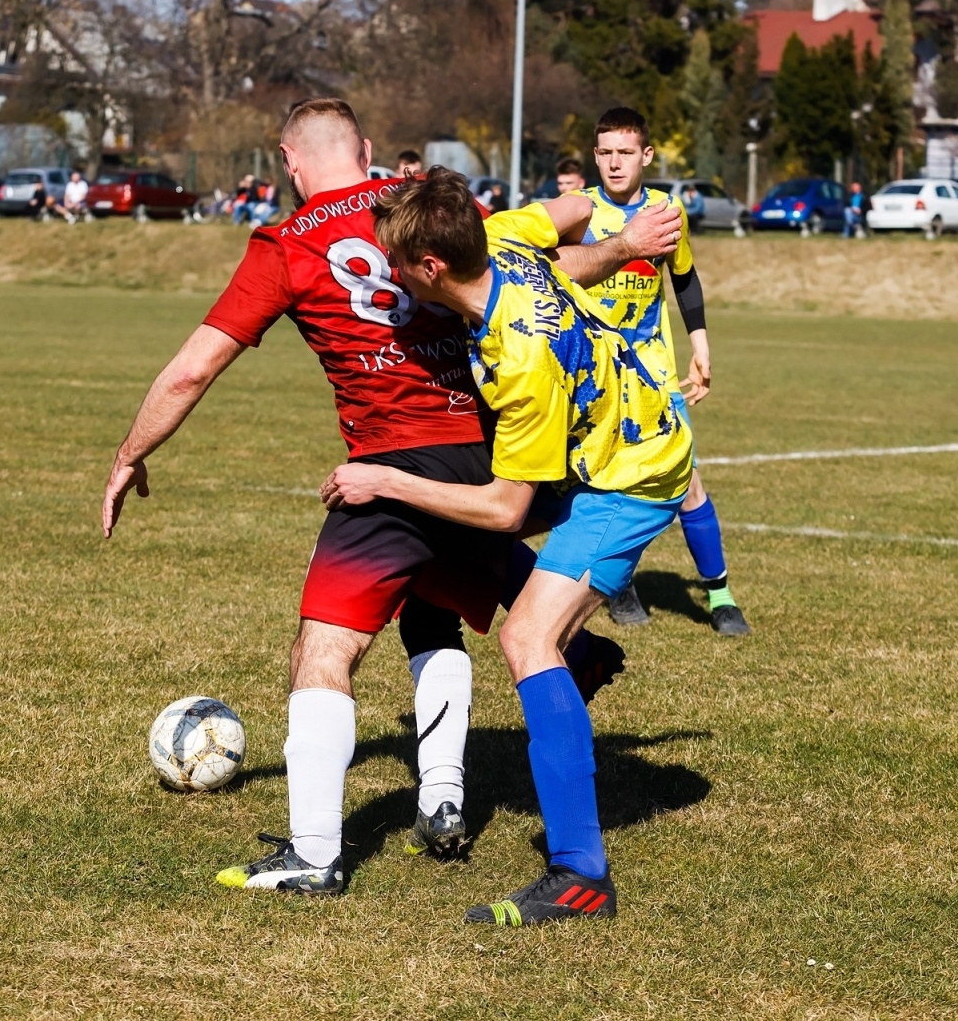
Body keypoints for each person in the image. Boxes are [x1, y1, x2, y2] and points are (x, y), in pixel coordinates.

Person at [101, 97, 681, 896]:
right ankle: (445, 794)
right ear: (367, 148)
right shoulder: (434, 210)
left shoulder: (291, 241)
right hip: (489, 449)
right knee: (433, 598)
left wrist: (130, 452)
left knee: (324, 648)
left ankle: (314, 856)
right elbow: (545, 248)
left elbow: (195, 367)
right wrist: (621, 243)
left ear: (289, 162)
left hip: (421, 458)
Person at [320, 169, 695, 925]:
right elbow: (575, 207)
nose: (389, 277)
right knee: (445, 533)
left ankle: (580, 874)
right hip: (596, 446)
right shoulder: (498, 237)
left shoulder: (523, 361)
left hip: (630, 475)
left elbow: (505, 509)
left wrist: (384, 480)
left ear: (431, 267)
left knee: (527, 638)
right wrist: (621, 242)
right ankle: (582, 657)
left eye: (396, 263)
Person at [580, 107, 750, 636]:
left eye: (625, 152)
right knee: (598, 487)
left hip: (653, 373)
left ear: (646, 156)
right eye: (606, 152)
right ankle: (618, 583)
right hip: (591, 375)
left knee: (686, 483)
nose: (615, 162)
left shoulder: (666, 210)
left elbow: (685, 277)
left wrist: (700, 345)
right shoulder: (578, 212)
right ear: (595, 156)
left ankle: (720, 596)